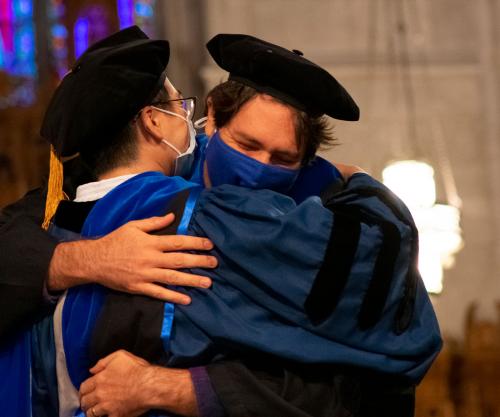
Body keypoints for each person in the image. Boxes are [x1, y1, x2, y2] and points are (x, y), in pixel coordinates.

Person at [0, 28, 440, 417]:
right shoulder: (190, 216)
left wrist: (175, 389)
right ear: (209, 118)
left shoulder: (317, 209)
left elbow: (359, 383)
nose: (259, 169)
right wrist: (88, 259)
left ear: (306, 164)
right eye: (246, 145)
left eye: (282, 159)